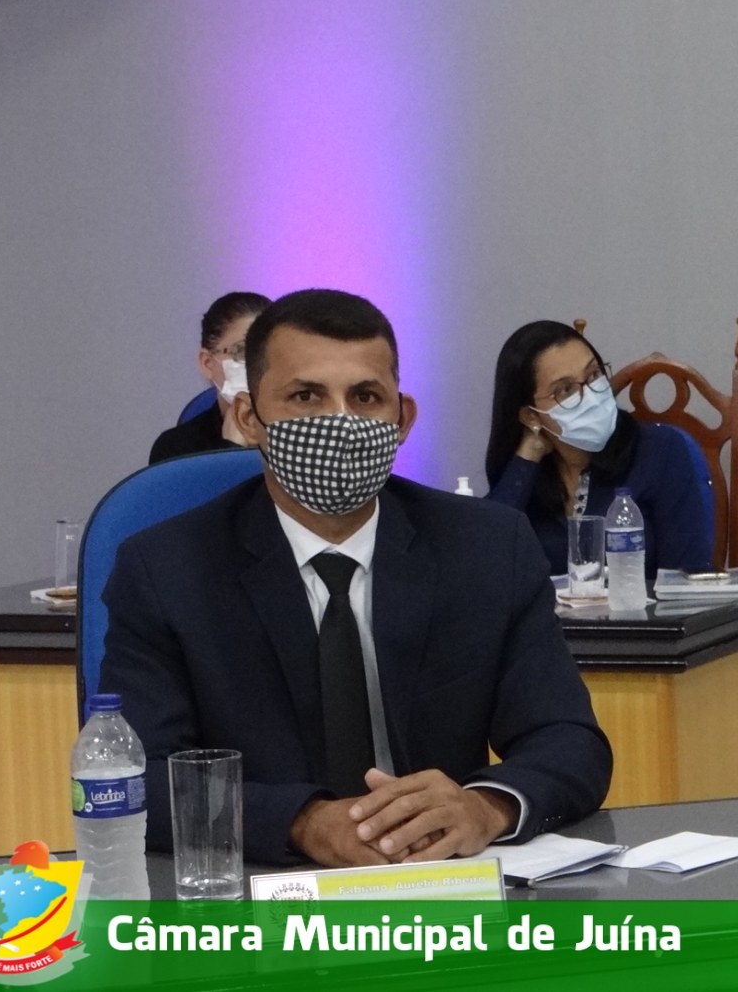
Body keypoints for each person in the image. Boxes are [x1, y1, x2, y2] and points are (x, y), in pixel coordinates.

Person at [101, 289, 612, 867]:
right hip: (264, 892)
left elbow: (570, 741)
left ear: (402, 418)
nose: (338, 422)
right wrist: (302, 822)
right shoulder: (165, 570)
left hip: (441, 885)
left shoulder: (488, 548)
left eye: (366, 397)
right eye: (305, 396)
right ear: (248, 418)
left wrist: (485, 806)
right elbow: (134, 778)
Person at [483, 320, 714, 576]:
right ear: (531, 416)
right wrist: (528, 455)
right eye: (566, 389)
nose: (590, 395)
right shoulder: (527, 474)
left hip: (644, 603)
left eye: (594, 375)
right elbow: (483, 557)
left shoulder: (663, 450)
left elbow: (687, 578)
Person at [149, 291, 270, 464]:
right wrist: (231, 449)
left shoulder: (300, 431)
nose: (258, 363)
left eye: (269, 351)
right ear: (207, 363)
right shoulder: (178, 448)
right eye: (242, 351)